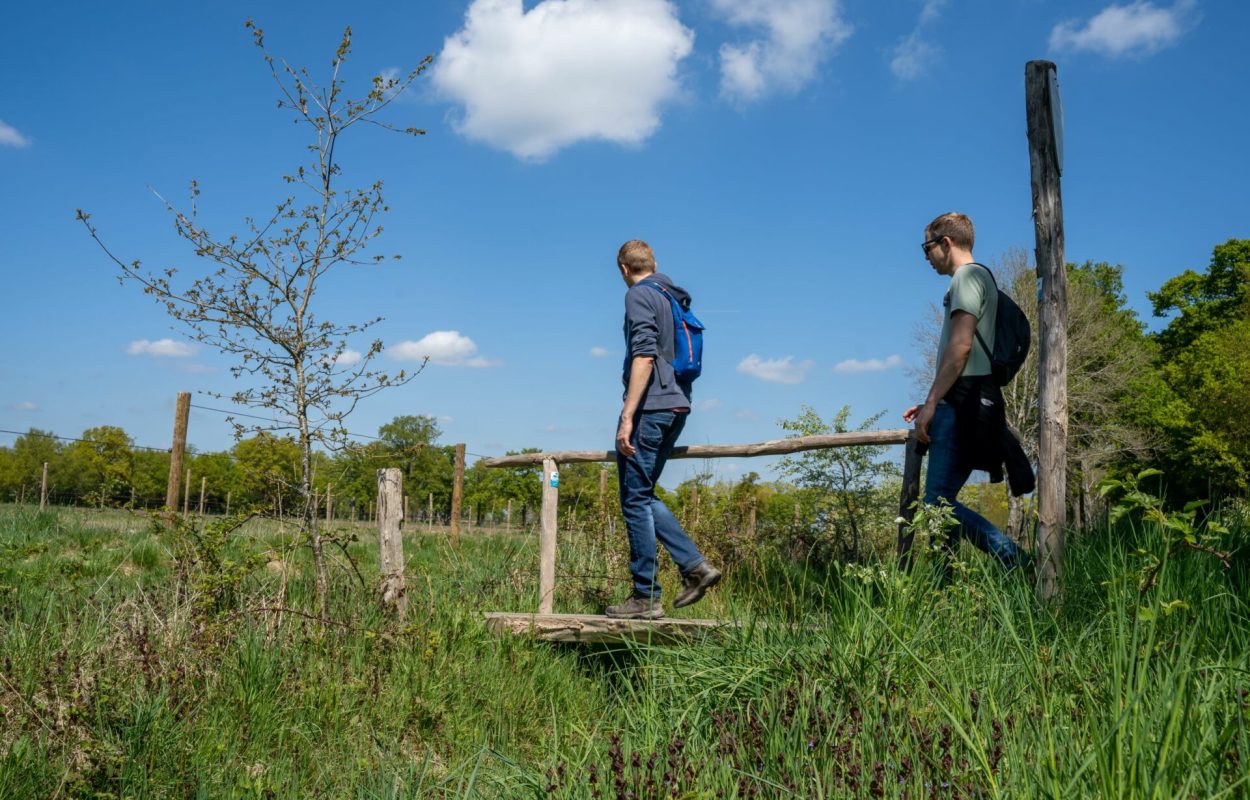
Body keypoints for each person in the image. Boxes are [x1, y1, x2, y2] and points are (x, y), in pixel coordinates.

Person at [903, 213, 1026, 569]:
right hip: (960, 399)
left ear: (945, 243)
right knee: (940, 504)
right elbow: (957, 356)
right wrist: (930, 399)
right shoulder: (975, 279)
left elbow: (961, 348)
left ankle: (1013, 558)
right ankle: (946, 592)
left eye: (926, 248)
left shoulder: (967, 278)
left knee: (936, 504)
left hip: (960, 407)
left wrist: (932, 404)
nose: (925, 257)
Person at [605, 240, 721, 619]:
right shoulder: (673, 296)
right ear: (654, 263)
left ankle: (645, 596)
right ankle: (696, 568)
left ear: (624, 268)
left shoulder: (639, 295)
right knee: (643, 494)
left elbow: (644, 353)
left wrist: (627, 413)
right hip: (678, 405)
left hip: (652, 407)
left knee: (634, 500)